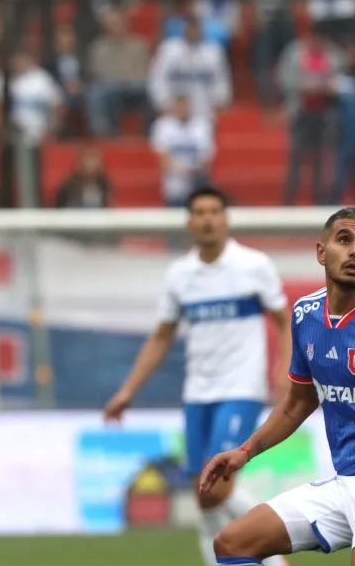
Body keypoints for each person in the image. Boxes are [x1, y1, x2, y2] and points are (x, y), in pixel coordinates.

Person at [201, 207, 355, 566]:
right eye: (344, 240)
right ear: (321, 252)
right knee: (232, 543)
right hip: (343, 482)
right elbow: (297, 403)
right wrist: (244, 452)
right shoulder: (305, 315)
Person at [103, 186, 292, 566]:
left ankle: (275, 548)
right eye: (200, 213)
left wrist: (285, 371)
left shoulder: (253, 265)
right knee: (202, 492)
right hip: (198, 393)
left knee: (217, 486)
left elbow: (283, 321)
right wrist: (127, 391)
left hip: (242, 387)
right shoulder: (180, 275)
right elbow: (161, 336)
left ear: (225, 219)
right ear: (190, 221)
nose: (207, 219)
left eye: (214, 212)